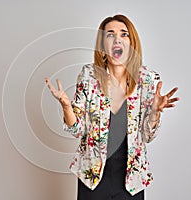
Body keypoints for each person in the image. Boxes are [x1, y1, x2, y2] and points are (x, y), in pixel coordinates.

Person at [45, 14, 179, 200]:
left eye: (124, 34)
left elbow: (147, 136)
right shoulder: (89, 76)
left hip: (131, 179)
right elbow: (78, 130)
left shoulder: (148, 80)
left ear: (131, 43)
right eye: (110, 34)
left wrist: (155, 112)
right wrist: (67, 107)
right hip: (92, 177)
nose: (117, 38)